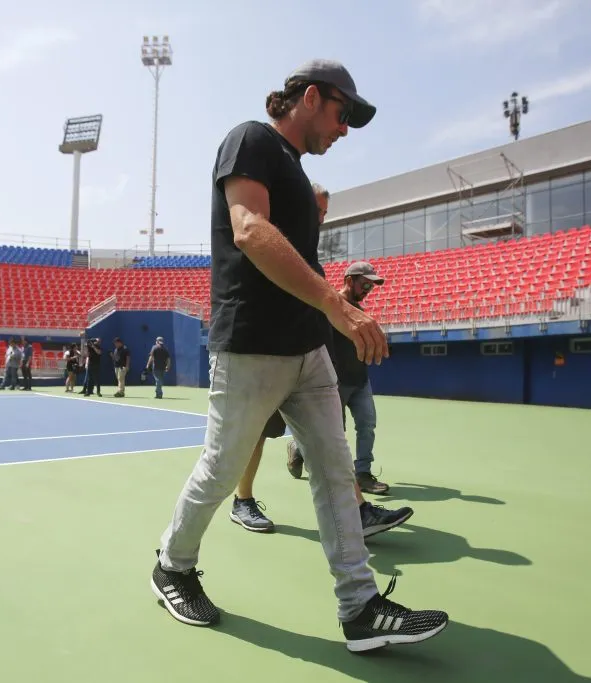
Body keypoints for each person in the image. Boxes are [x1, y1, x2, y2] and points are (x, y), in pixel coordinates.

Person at [150, 59, 448, 652]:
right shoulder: (250, 140)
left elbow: (300, 263)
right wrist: (339, 307)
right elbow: (249, 230)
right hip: (251, 347)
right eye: (342, 116)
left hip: (306, 349)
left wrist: (334, 307)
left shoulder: (300, 177)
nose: (344, 131)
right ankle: (173, 566)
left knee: (336, 471)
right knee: (220, 468)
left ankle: (360, 607)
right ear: (309, 98)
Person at [229, 183, 411, 536]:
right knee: (248, 440)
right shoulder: (270, 241)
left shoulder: (309, 255)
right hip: (266, 355)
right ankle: (241, 500)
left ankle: (355, 512)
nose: (321, 219)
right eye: (318, 211)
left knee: (331, 435)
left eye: (325, 213)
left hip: (304, 361)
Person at [286, 260, 391, 495]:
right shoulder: (330, 307)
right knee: (333, 432)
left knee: (367, 425)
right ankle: (299, 448)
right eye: (365, 284)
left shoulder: (359, 312)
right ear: (348, 281)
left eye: (371, 286)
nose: (368, 290)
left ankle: (362, 473)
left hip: (361, 381)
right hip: (335, 382)